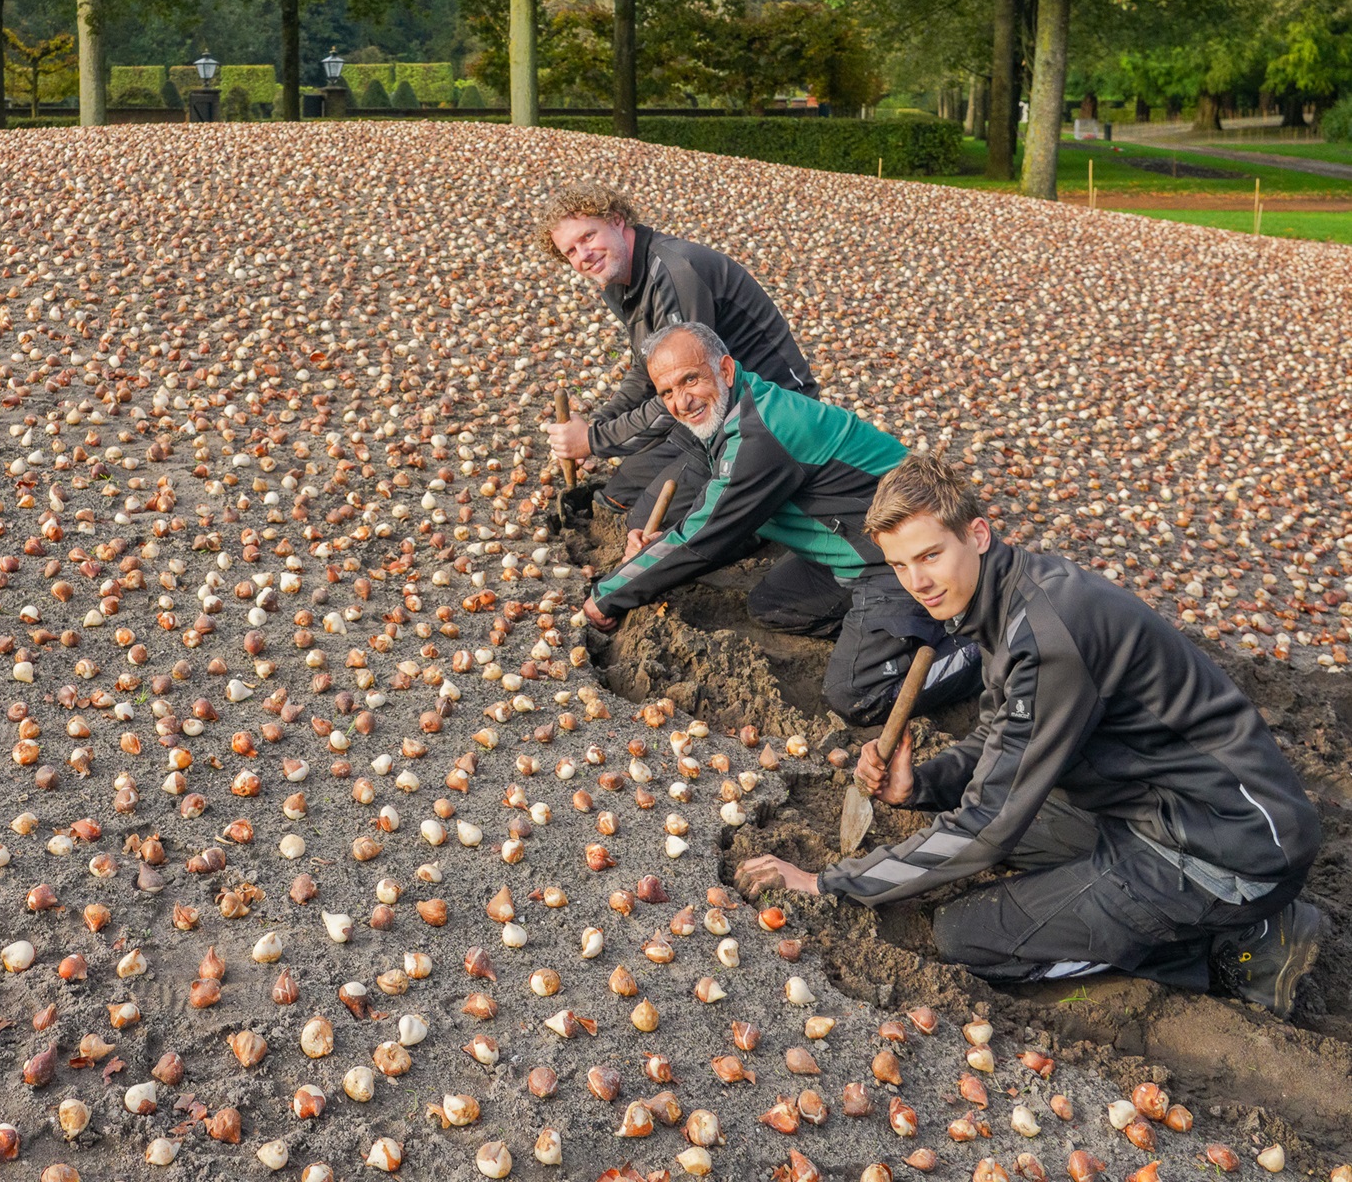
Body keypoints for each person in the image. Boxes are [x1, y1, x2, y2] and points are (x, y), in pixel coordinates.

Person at [737, 455, 1327, 1019]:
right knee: (1001, 826)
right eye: (898, 566)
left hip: (1223, 851)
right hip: (1164, 804)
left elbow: (986, 830)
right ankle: (1218, 918)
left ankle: (1239, 946)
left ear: (979, 533)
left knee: (967, 937)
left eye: (930, 555)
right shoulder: (1010, 595)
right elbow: (1001, 739)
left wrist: (826, 882)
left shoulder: (1046, 637)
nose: (918, 581)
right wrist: (923, 784)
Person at [582, 323, 980, 722]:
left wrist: (609, 595)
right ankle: (904, 627)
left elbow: (705, 536)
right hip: (855, 550)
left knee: (857, 694)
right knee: (772, 606)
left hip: (904, 560)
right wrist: (656, 551)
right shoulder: (734, 413)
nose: (681, 401)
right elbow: (729, 520)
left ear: (725, 369)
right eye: (667, 392)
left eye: (691, 379)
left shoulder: (762, 431)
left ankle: (978, 650)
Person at [539, 187, 815, 540]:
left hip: (768, 411)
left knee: (642, 524)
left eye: (588, 236)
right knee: (614, 497)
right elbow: (647, 369)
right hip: (707, 406)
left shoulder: (674, 272)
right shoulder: (618, 280)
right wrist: (599, 426)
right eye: (570, 252)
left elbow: (682, 387)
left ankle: (757, 531)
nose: (583, 256)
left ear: (617, 220)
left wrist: (593, 441)